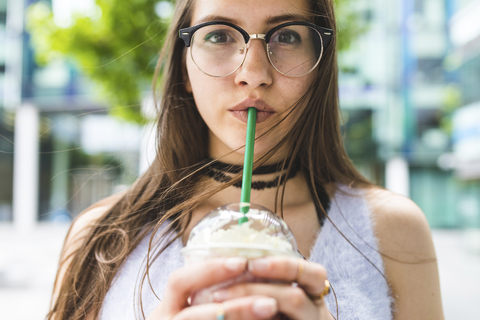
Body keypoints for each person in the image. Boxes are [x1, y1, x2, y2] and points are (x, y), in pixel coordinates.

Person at [48, 0, 444, 319]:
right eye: (219, 36)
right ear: (184, 67)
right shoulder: (102, 236)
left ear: (321, 64)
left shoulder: (391, 232)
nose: (253, 73)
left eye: (287, 36)